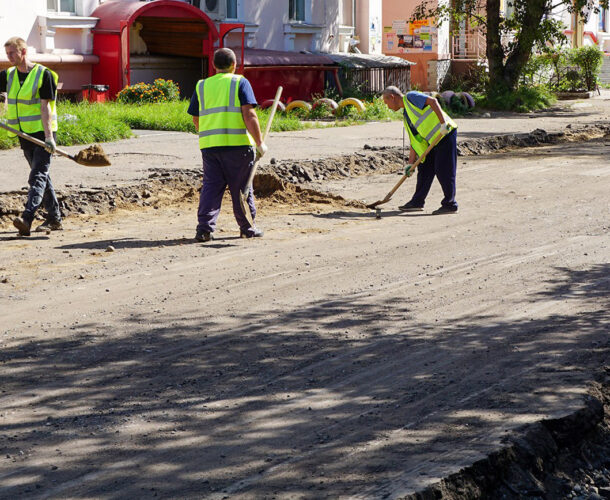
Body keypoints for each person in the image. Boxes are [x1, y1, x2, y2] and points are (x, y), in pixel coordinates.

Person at [187, 48, 267, 242]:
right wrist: (259, 142)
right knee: (242, 188)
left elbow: (196, 118)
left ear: (214, 66)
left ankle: (204, 230)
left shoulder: (202, 85)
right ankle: (247, 228)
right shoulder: (239, 82)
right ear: (234, 65)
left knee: (211, 188)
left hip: (210, 147)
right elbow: (249, 115)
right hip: (238, 146)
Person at [1, 37, 62, 236]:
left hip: (43, 134)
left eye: (12, 53)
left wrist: (49, 137)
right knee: (42, 177)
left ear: (23, 52)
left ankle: (27, 218)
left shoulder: (43, 75)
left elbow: (44, 107)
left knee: (37, 176)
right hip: (23, 133)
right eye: (7, 53)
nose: (9, 57)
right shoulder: (8, 74)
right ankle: (54, 218)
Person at [382, 86, 459, 214]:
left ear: (392, 97)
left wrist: (442, 123)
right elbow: (414, 140)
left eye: (386, 102)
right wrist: (410, 164)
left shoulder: (411, 97)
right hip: (433, 141)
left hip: (445, 134)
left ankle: (450, 204)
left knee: (443, 170)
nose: (387, 106)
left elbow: (433, 101)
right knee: (424, 170)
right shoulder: (406, 114)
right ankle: (417, 202)